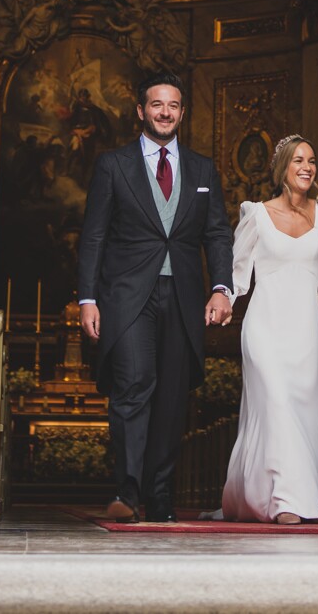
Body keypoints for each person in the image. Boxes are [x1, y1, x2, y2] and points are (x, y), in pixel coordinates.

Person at [76, 73, 235, 523]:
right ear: (142, 111)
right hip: (127, 298)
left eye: (174, 105)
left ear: (182, 112)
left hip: (183, 298)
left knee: (171, 399)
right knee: (133, 387)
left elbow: (218, 234)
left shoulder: (203, 170)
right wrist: (88, 297)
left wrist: (222, 288)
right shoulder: (113, 165)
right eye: (157, 104)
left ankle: (160, 496)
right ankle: (127, 492)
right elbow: (94, 237)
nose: (165, 112)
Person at [217, 136, 318, 523]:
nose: (307, 166)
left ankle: (273, 493)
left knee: (300, 409)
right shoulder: (256, 214)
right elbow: (237, 273)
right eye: (298, 160)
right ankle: (286, 502)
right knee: (275, 402)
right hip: (264, 325)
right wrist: (226, 299)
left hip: (306, 330)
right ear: (282, 169)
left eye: (312, 160)